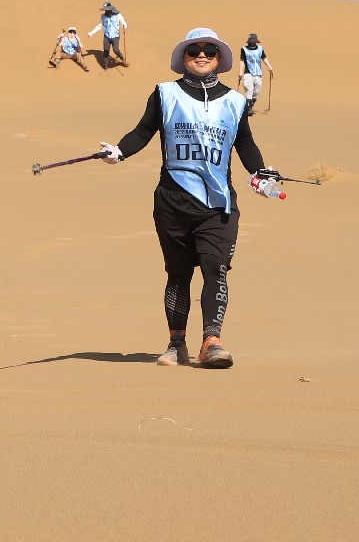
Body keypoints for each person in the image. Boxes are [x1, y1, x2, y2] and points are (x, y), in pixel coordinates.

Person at [98, 27, 279, 370]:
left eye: (209, 50)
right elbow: (143, 131)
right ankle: (176, 345)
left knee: (215, 268)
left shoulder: (235, 101)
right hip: (172, 201)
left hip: (218, 204)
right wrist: (119, 152)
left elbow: (244, 144)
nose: (201, 55)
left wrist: (261, 172)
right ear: (183, 58)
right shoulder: (165, 94)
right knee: (178, 274)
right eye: (194, 50)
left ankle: (212, 342)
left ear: (219, 58)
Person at [239, 33, 274, 115]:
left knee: (257, 89)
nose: (252, 43)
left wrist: (269, 66)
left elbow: (264, 58)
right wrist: (240, 72)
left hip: (258, 73)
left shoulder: (260, 49)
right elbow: (242, 61)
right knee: (249, 89)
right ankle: (248, 109)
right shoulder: (244, 49)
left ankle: (250, 105)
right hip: (248, 72)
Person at [89, 3, 129, 68]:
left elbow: (123, 22)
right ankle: (106, 66)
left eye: (107, 10)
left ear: (111, 9)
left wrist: (125, 26)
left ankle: (122, 57)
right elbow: (99, 26)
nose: (106, 11)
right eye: (105, 10)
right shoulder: (103, 16)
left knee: (116, 49)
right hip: (107, 37)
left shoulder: (118, 15)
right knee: (106, 51)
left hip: (115, 36)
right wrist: (91, 33)